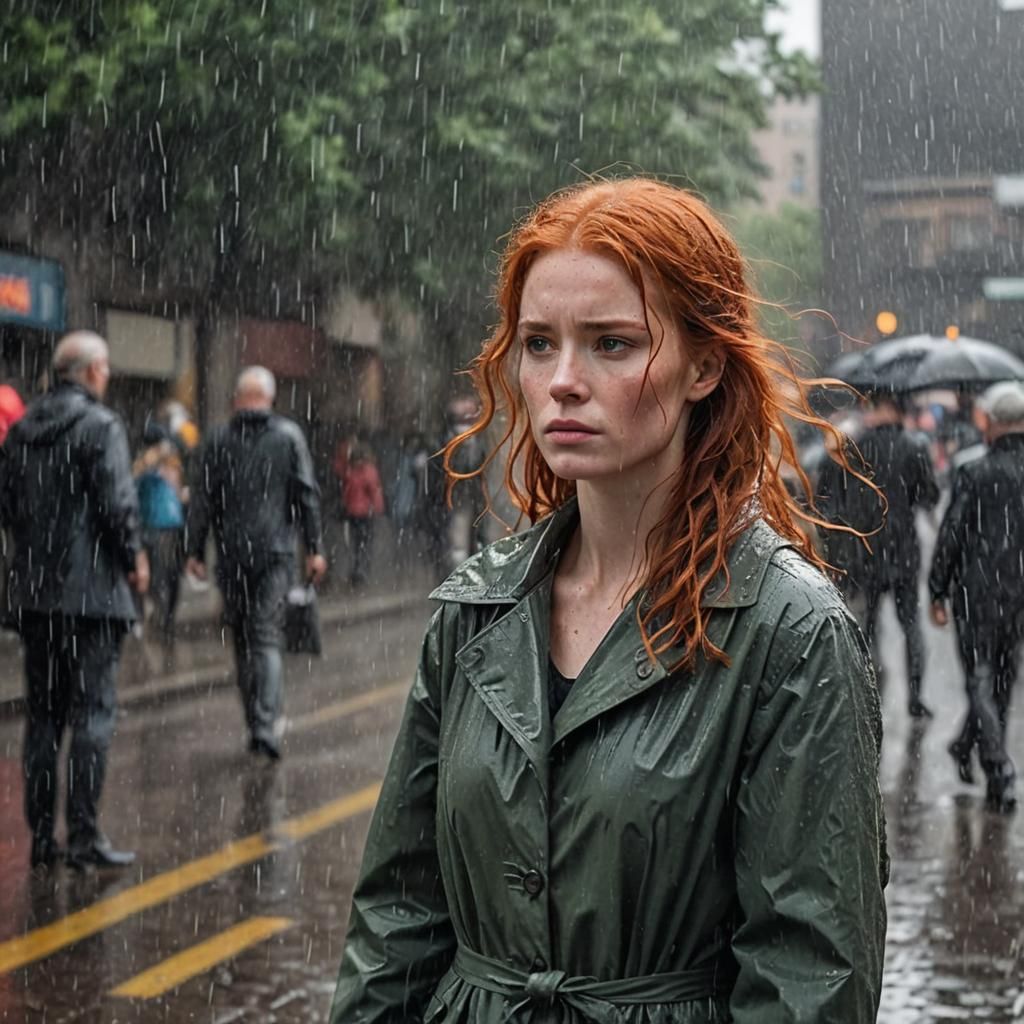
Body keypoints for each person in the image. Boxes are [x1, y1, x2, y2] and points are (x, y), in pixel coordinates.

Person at [330, 178, 887, 1023]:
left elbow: (809, 977)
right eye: (539, 343)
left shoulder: (791, 632)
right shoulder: (476, 608)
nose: (562, 381)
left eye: (612, 345)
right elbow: (398, 917)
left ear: (704, 365)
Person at [0, 331, 148, 869]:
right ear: (89, 371)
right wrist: (134, 558)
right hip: (93, 598)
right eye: (105, 369)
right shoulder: (100, 426)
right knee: (92, 714)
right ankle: (84, 836)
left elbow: (8, 506)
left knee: (43, 717)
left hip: (37, 598)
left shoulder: (21, 431)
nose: (106, 378)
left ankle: (41, 839)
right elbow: (117, 504)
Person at [185, 366, 326, 761]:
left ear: (236, 399)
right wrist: (314, 547)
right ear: (270, 397)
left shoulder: (218, 439)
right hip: (276, 555)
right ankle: (266, 724)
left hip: (231, 557)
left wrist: (195, 550)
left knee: (244, 642)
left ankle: (255, 722)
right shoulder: (288, 436)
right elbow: (306, 494)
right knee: (265, 639)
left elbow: (202, 500)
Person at [929, 380, 1024, 813]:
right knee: (1001, 681)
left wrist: (937, 589)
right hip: (1018, 594)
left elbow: (951, 533)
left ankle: (998, 770)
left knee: (980, 679)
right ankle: (977, 751)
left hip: (976, 591)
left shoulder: (974, 471)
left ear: (992, 423)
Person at [816, 393, 940, 717]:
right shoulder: (914, 447)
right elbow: (928, 496)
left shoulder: (853, 447)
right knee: (910, 624)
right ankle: (916, 698)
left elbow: (830, 499)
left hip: (864, 548)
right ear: (899, 410)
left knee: (865, 627)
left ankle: (866, 691)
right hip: (903, 550)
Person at [134, 419, 187, 645]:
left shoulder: (168, 461)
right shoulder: (147, 462)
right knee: (158, 573)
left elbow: (177, 489)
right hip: (155, 524)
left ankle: (164, 618)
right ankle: (159, 617)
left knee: (168, 573)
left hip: (166, 524)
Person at [341, 441, 385, 586]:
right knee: (363, 543)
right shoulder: (368, 471)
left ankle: (358, 571)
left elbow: (347, 492)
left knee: (357, 543)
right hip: (364, 513)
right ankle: (361, 571)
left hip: (356, 513)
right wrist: (378, 508)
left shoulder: (351, 472)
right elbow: (375, 491)